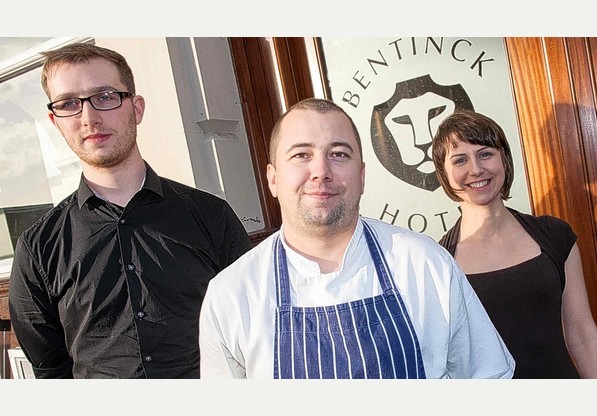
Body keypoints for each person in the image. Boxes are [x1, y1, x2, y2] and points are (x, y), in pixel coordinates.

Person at [198, 97, 515, 379]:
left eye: (338, 154)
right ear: (273, 179)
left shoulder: (424, 264)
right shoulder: (232, 294)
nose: (321, 171)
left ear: (362, 176)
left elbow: (488, 378)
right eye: (301, 155)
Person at [8, 43, 253, 379]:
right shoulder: (38, 249)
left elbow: (256, 333)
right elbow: (52, 371)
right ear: (55, 121)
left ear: (136, 108)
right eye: (69, 104)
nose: (89, 117)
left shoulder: (210, 216)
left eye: (105, 96)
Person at [432, 109, 597, 378]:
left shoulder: (554, 235)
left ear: (504, 160)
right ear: (445, 175)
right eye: (460, 160)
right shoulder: (439, 262)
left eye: (485, 154)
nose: (476, 169)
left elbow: (583, 335)